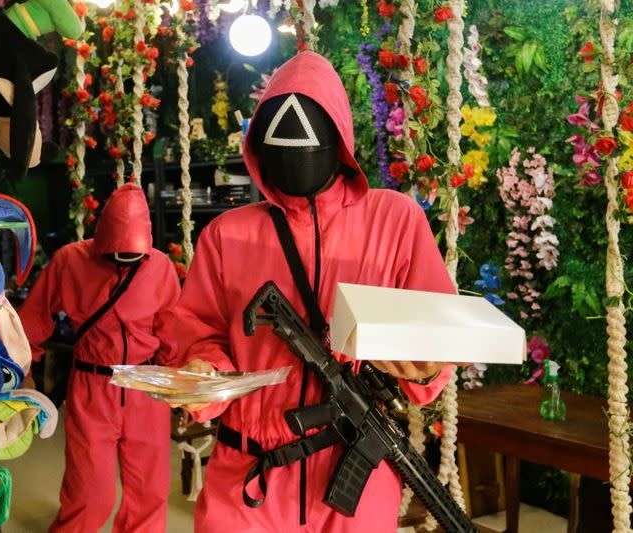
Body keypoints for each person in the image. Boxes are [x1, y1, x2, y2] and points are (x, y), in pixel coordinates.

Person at [161, 51, 456, 532]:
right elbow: (200, 332)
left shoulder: (396, 220)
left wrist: (425, 370)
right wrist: (203, 374)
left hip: (354, 475)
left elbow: (435, 338)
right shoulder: (226, 234)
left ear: (338, 144)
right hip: (245, 481)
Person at [19, 184, 180, 533]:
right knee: (90, 492)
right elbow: (34, 317)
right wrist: (23, 369)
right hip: (93, 385)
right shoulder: (70, 260)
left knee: (149, 492)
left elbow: (172, 330)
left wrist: (180, 386)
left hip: (146, 385)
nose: (124, 262)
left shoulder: (162, 267)